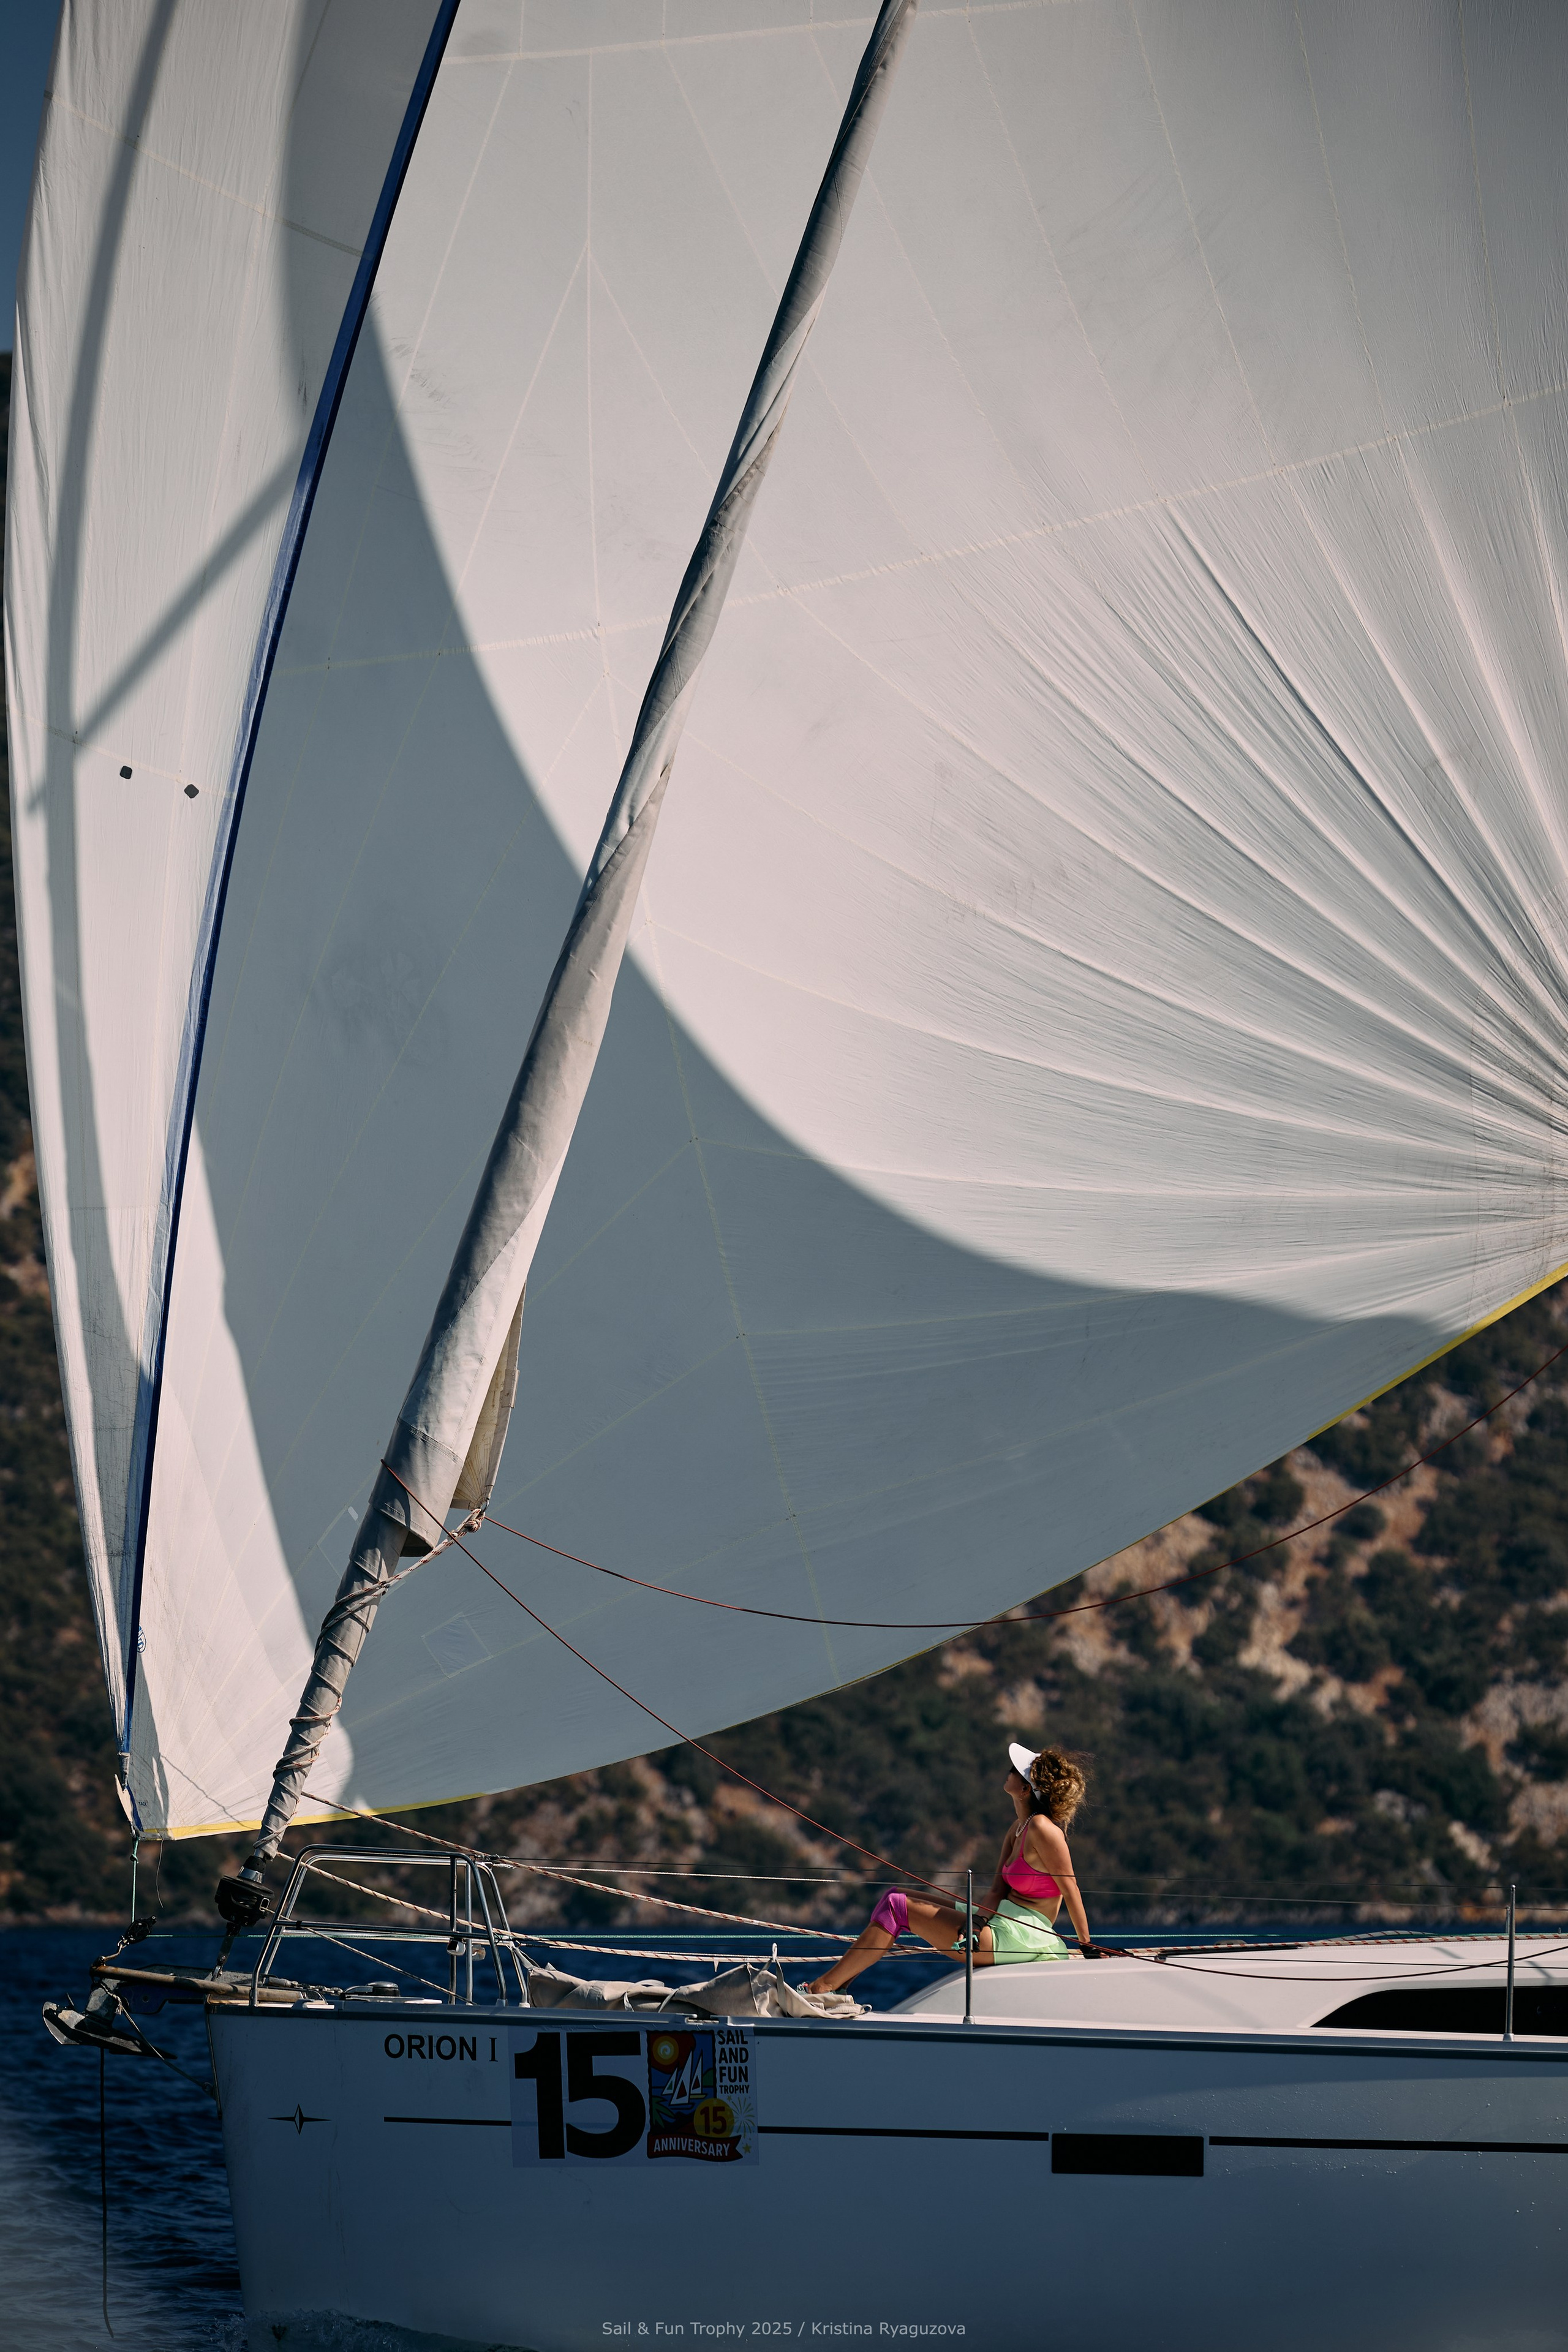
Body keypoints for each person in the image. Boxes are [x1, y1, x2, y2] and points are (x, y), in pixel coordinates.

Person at [805, 1742, 1106, 1995]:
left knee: (899, 1908)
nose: (1009, 1772)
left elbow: (1071, 1889)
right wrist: (977, 1924)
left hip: (1022, 1936)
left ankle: (820, 1990)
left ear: (1026, 1789)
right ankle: (838, 1990)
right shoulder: (1018, 1828)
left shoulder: (1043, 1828)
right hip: (1001, 1920)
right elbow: (998, 1890)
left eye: (1015, 1771)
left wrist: (1087, 1944)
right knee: (893, 1896)